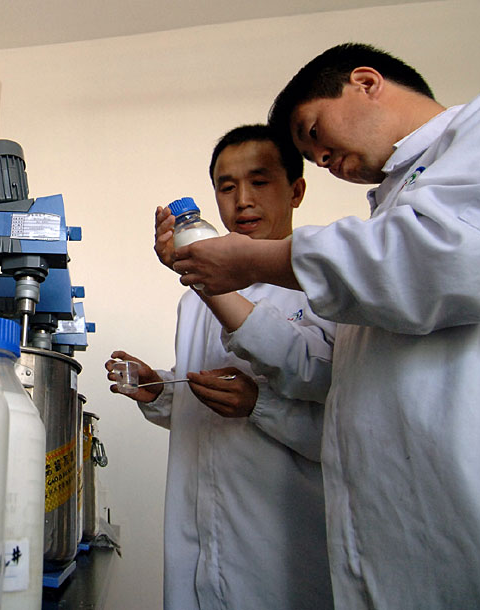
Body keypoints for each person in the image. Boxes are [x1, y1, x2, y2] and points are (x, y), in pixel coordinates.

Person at [171, 43, 480, 609]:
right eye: (309, 151)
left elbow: (448, 256)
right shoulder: (393, 205)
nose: (320, 157)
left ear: (365, 82)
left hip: (452, 520)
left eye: (314, 132)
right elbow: (338, 382)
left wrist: (255, 262)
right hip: (395, 532)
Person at [107, 124, 335, 610]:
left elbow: (340, 422)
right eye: (227, 187)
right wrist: (161, 390)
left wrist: (260, 405)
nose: (243, 201)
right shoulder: (194, 302)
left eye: (260, 181)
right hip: (196, 539)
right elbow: (206, 407)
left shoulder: (321, 288)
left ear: (296, 191)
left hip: (284, 548)